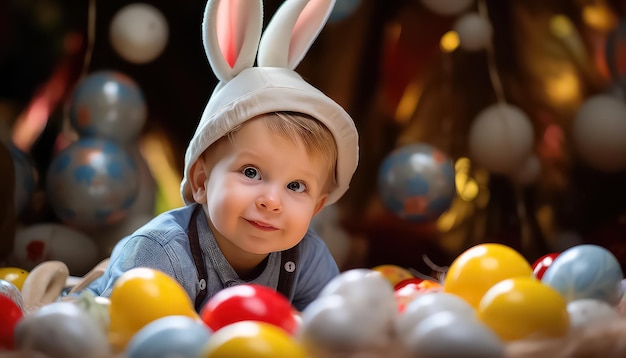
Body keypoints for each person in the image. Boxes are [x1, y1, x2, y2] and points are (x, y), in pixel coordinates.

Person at [86, 0, 359, 312]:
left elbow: (331, 330)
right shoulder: (160, 255)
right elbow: (119, 334)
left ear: (317, 207)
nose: (271, 201)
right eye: (251, 172)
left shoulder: (306, 258)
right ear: (201, 181)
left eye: (296, 186)